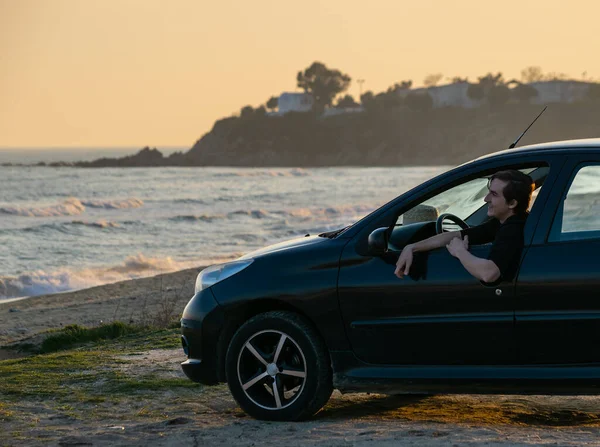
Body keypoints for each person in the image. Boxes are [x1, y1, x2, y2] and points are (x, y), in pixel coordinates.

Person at [394, 170, 535, 284]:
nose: (486, 199)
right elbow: (456, 235)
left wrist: (460, 252)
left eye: (494, 194)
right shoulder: (503, 222)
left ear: (512, 204)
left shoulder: (513, 230)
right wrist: (412, 247)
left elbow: (489, 274)